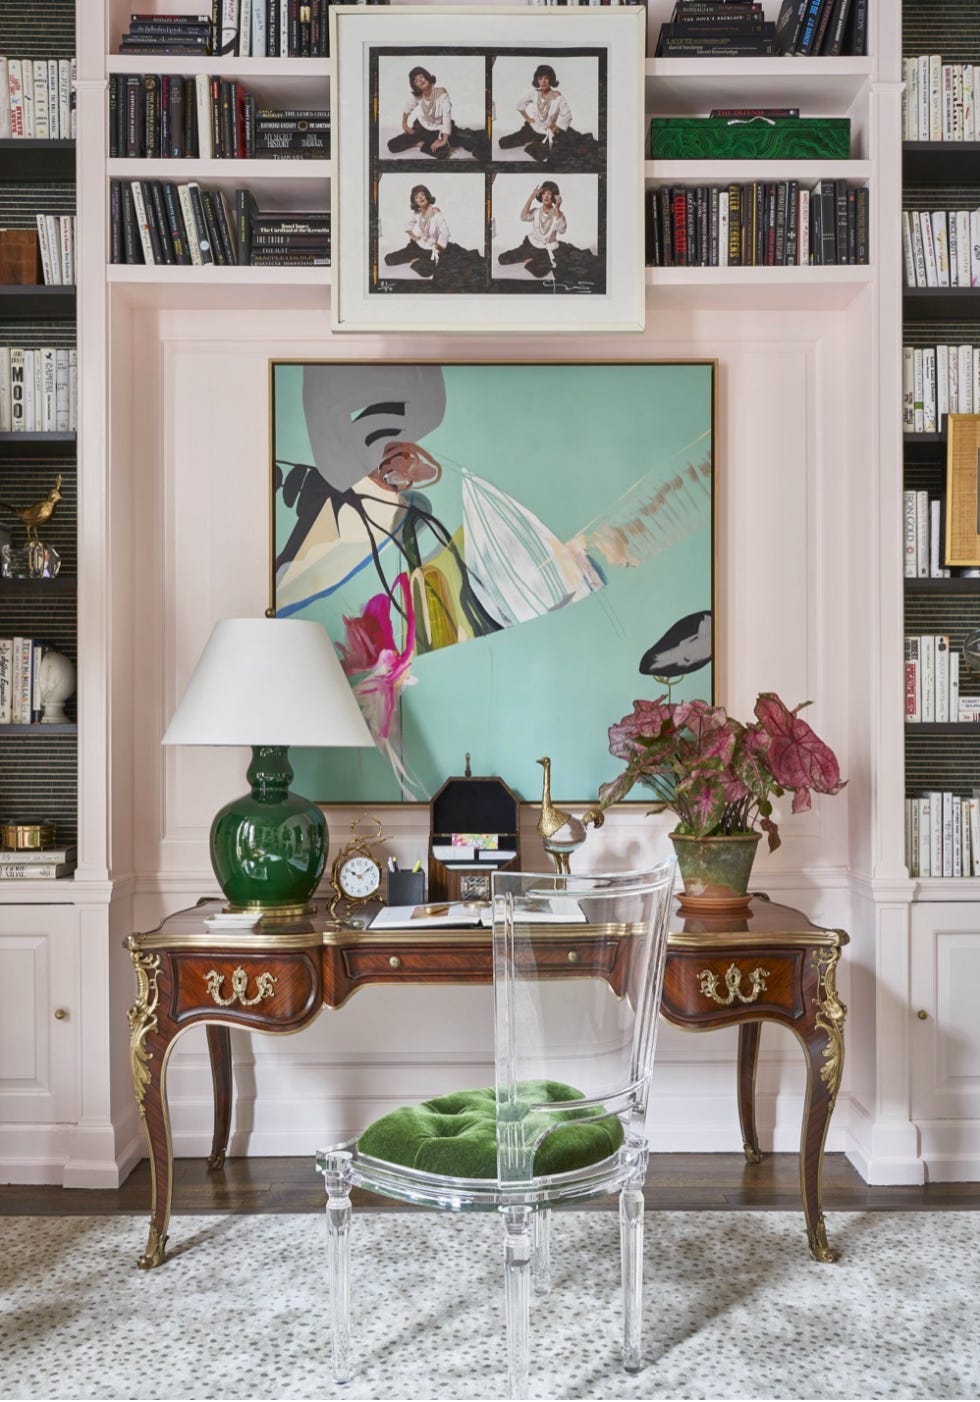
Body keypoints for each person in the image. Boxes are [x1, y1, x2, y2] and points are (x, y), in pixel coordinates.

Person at [384, 184, 486, 290]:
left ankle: (419, 261)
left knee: (433, 271)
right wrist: (415, 237)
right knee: (389, 259)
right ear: (415, 201)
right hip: (417, 247)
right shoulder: (416, 214)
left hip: (436, 248)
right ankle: (417, 259)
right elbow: (407, 227)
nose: (421, 198)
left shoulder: (435, 212)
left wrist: (438, 248)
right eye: (417, 197)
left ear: (427, 196)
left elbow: (445, 232)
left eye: (423, 195)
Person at [496, 63, 598, 165]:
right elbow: (520, 105)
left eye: (546, 78)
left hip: (551, 132)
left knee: (568, 150)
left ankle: (534, 144)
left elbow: (567, 115)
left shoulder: (557, 95)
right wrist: (528, 119)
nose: (543, 81)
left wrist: (557, 126)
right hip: (533, 129)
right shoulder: (534, 93)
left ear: (551, 80)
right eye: (540, 78)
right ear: (537, 80)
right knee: (503, 143)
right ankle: (531, 140)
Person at [386, 65, 488, 161]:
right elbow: (407, 107)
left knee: (446, 151)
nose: (420, 80)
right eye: (416, 81)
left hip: (441, 129)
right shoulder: (419, 96)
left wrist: (443, 140)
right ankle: (419, 143)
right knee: (392, 145)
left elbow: (446, 118)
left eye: (421, 77)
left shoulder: (441, 92)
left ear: (427, 77)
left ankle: (432, 142)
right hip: (421, 129)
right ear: (415, 86)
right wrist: (404, 124)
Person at [497, 181, 567, 278]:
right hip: (531, 245)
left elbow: (562, 230)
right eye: (544, 193)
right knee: (502, 259)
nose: (546, 196)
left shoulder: (558, 214)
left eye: (549, 194)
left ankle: (531, 260)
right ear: (541, 196)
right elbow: (523, 217)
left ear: (554, 197)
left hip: (546, 250)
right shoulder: (536, 211)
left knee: (539, 272)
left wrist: (558, 208)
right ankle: (530, 257)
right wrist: (531, 197)